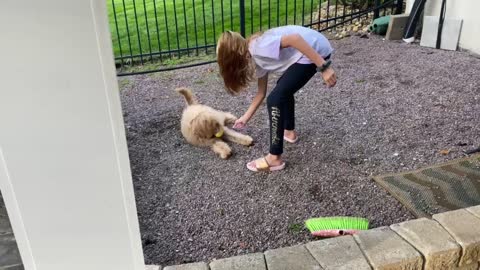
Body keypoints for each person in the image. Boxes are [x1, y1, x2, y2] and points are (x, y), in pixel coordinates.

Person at [216, 25, 337, 172]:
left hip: (314, 50)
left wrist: (323, 67)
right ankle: (289, 132)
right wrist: (245, 118)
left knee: (275, 99)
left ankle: (274, 158)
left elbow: (295, 39)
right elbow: (261, 93)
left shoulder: (257, 48)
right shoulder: (256, 59)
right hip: (311, 48)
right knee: (281, 91)